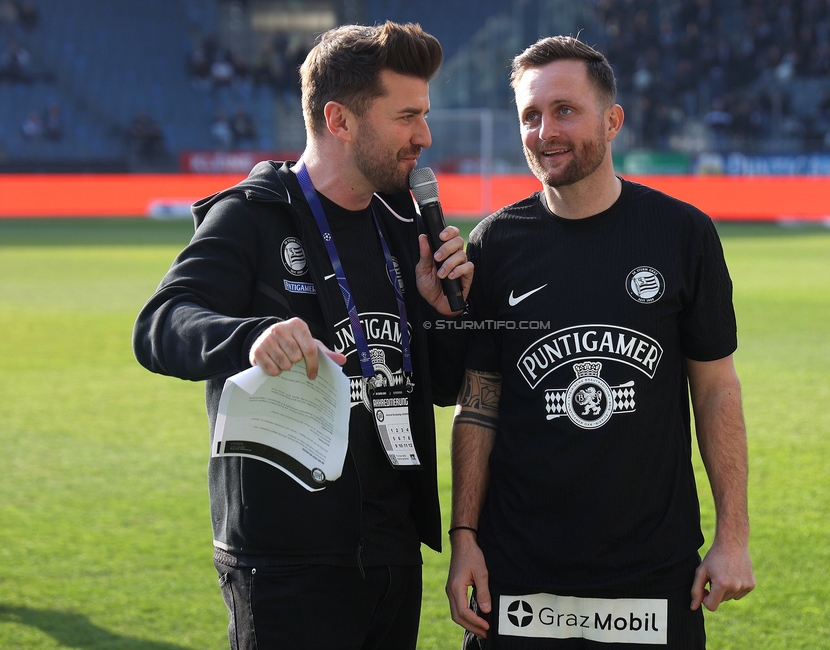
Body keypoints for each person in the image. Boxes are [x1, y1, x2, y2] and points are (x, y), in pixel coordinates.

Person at [133, 21, 472, 649]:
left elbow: (445, 386)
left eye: (423, 116)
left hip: (393, 551)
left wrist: (446, 315)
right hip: (285, 560)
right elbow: (160, 323)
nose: (424, 137)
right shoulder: (251, 217)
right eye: (406, 117)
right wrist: (250, 338)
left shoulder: (404, 227)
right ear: (340, 120)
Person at [446, 36, 754, 648]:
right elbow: (478, 404)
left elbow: (716, 389)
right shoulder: (494, 245)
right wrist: (464, 539)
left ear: (612, 120)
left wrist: (733, 537)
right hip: (519, 571)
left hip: (652, 573)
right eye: (530, 116)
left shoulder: (682, 235)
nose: (544, 131)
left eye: (565, 110)